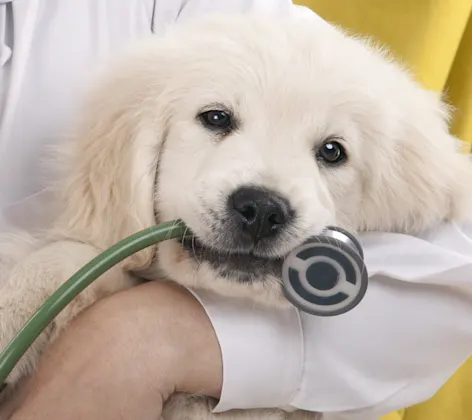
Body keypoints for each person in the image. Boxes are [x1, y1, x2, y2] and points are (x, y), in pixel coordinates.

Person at [1, 1, 472, 420]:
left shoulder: (203, 17)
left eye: (331, 152)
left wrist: (148, 339)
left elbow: (451, 264)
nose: (264, 206)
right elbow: (96, 237)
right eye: (218, 119)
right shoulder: (150, 84)